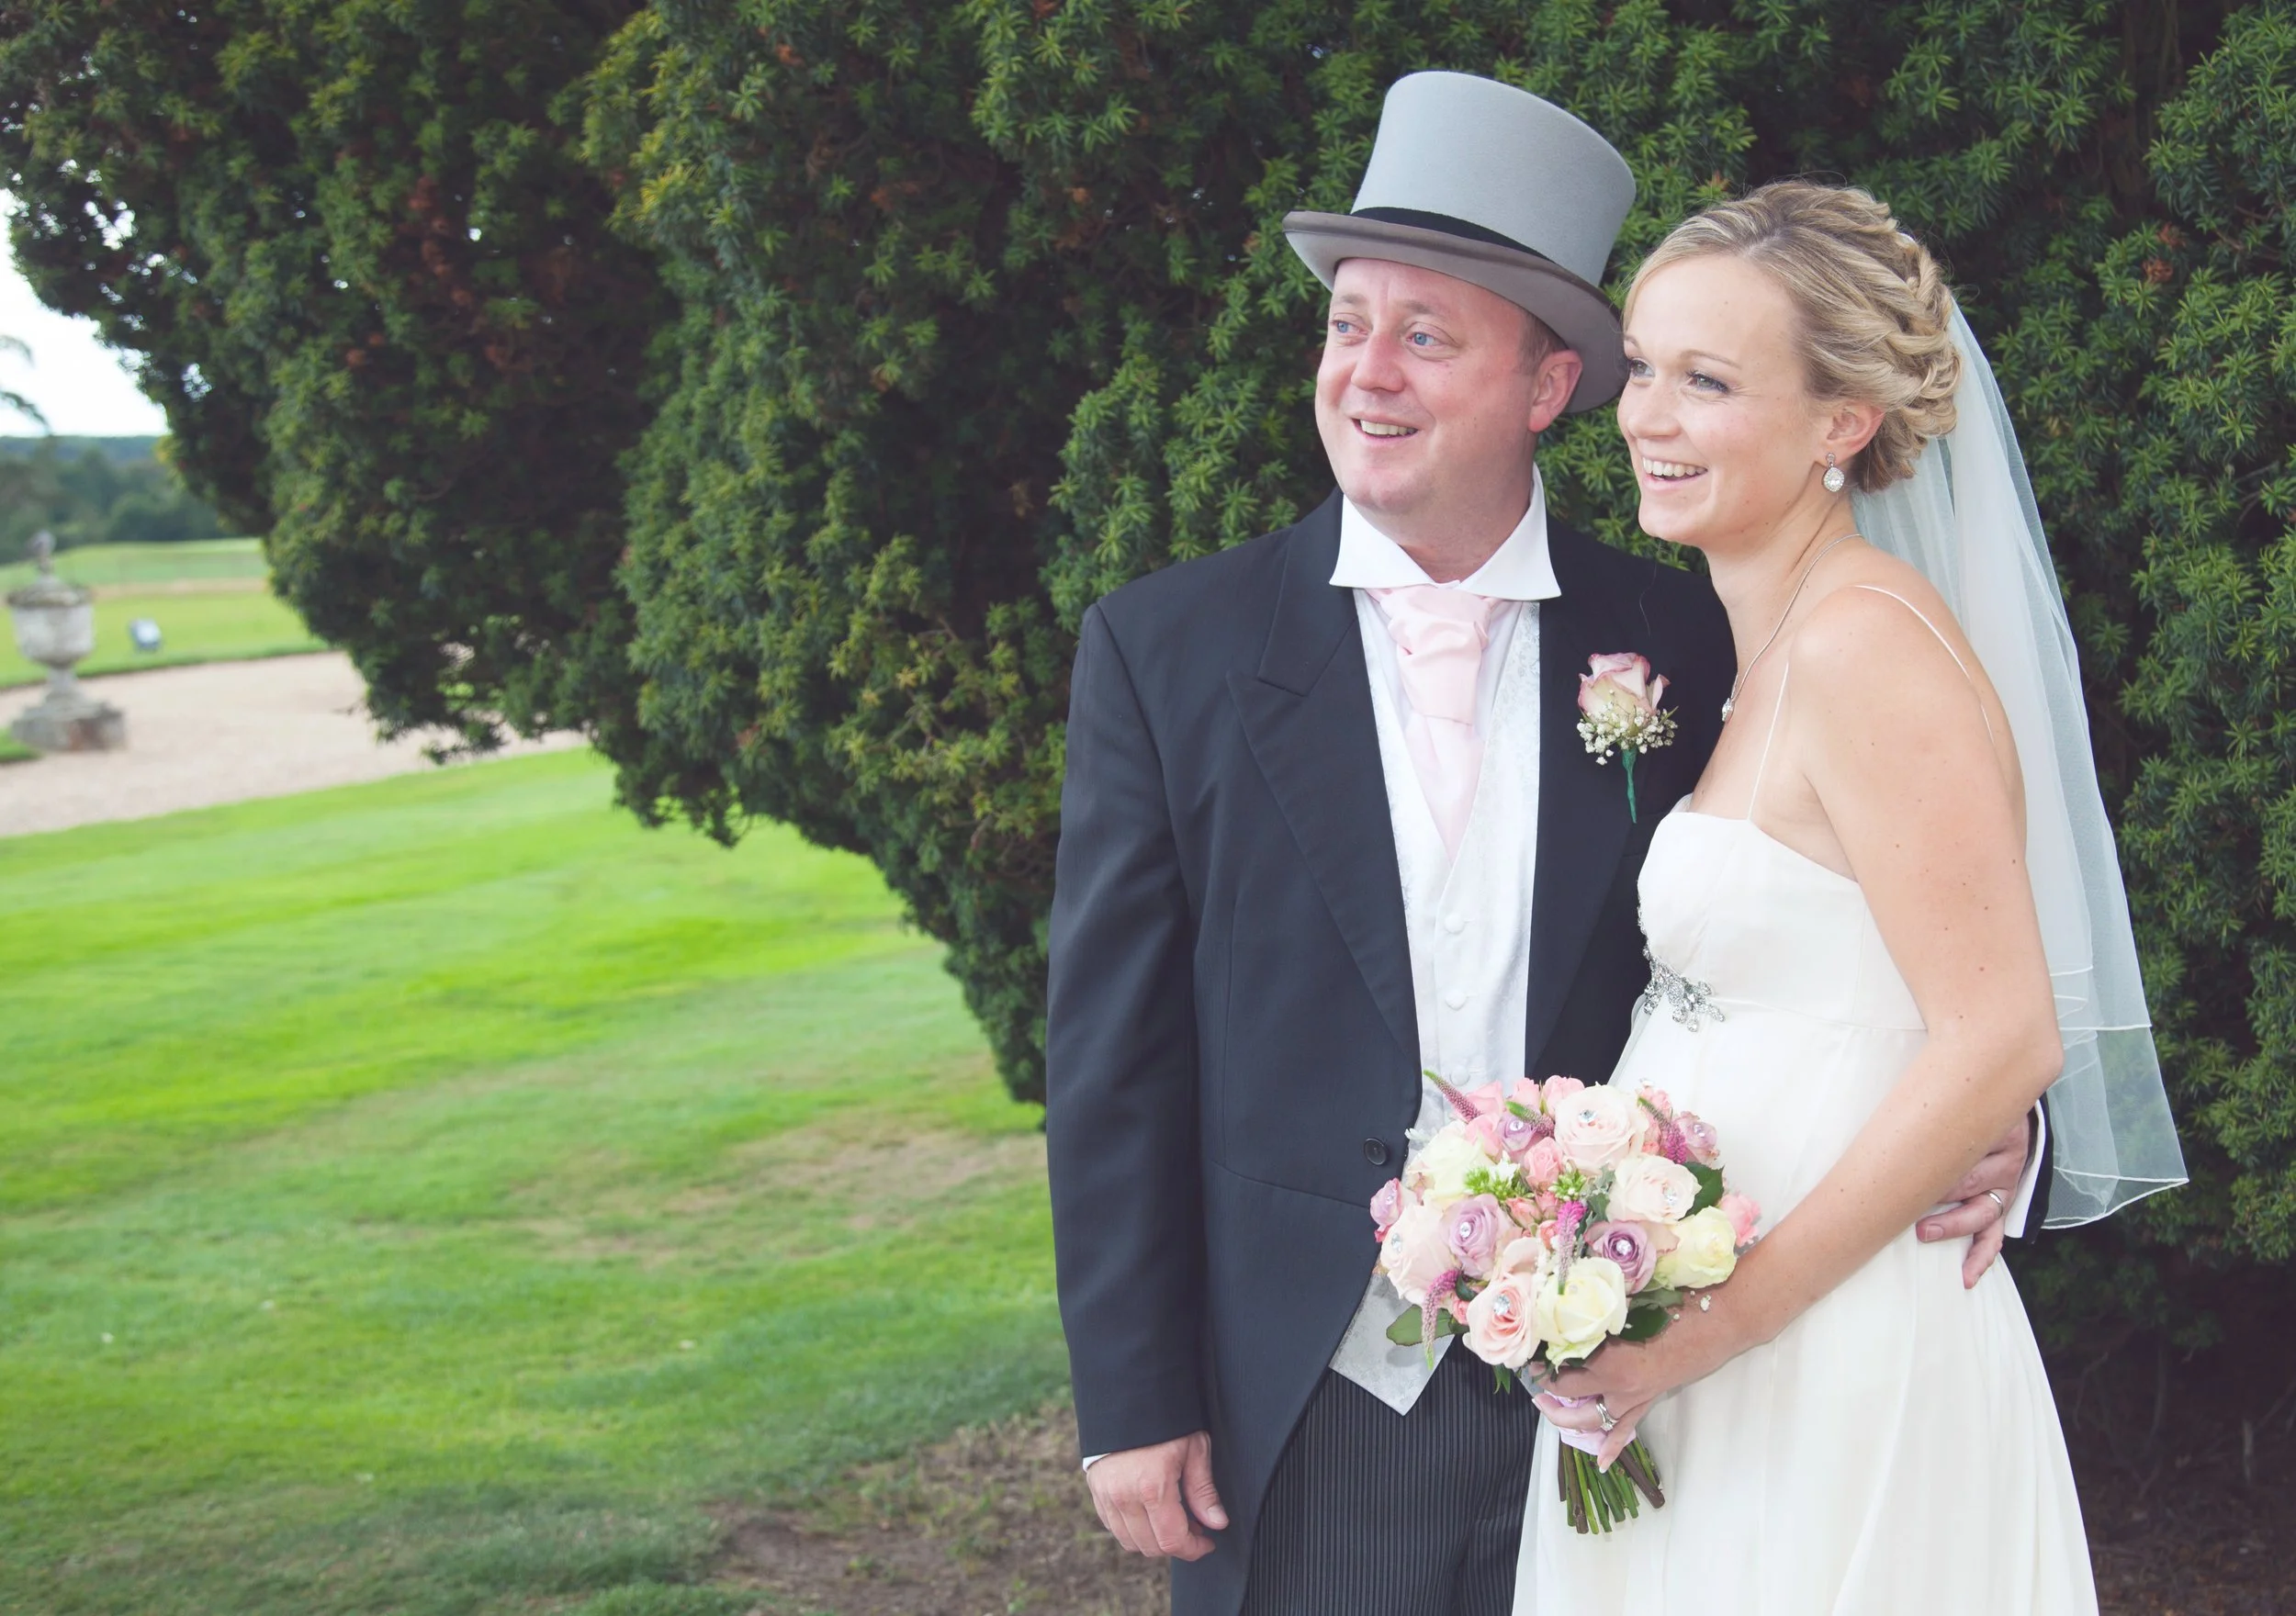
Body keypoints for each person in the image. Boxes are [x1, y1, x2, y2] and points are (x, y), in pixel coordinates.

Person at [1043, 76, 2040, 1616]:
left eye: (1426, 336)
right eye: (1346, 325)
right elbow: (1113, 1056)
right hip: (1309, 1400)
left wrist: (1996, 1128)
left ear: (1549, 383)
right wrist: (1132, 1393)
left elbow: (1882, 933)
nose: (1367, 373)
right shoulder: (1169, 649)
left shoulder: (1688, 635)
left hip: (1650, 1382)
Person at [1523, 180, 2184, 1613]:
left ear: (1842, 424)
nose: (1646, 416)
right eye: (1643, 368)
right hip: (1708, 1322)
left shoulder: (1862, 651)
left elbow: (2001, 1035)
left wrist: (1706, 1332)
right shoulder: (1764, 646)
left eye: (1708, 381)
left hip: (1821, 1348)